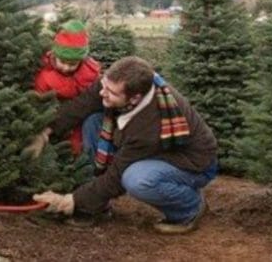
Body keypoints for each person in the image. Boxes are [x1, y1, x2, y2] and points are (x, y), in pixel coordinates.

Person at [26, 56, 218, 234]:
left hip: (193, 164)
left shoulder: (149, 125)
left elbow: (116, 176)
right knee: (93, 121)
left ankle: (189, 208)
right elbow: (81, 105)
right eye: (104, 86)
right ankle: (96, 205)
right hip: (155, 148)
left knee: (136, 178)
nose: (103, 93)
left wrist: (70, 201)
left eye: (111, 92)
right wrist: (46, 131)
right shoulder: (117, 83)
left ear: (135, 98)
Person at [33, 20, 102, 155]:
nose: (66, 67)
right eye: (63, 62)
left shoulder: (90, 72)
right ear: (55, 55)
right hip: (57, 118)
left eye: (72, 64)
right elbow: (39, 102)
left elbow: (89, 102)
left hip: (83, 119)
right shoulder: (45, 76)